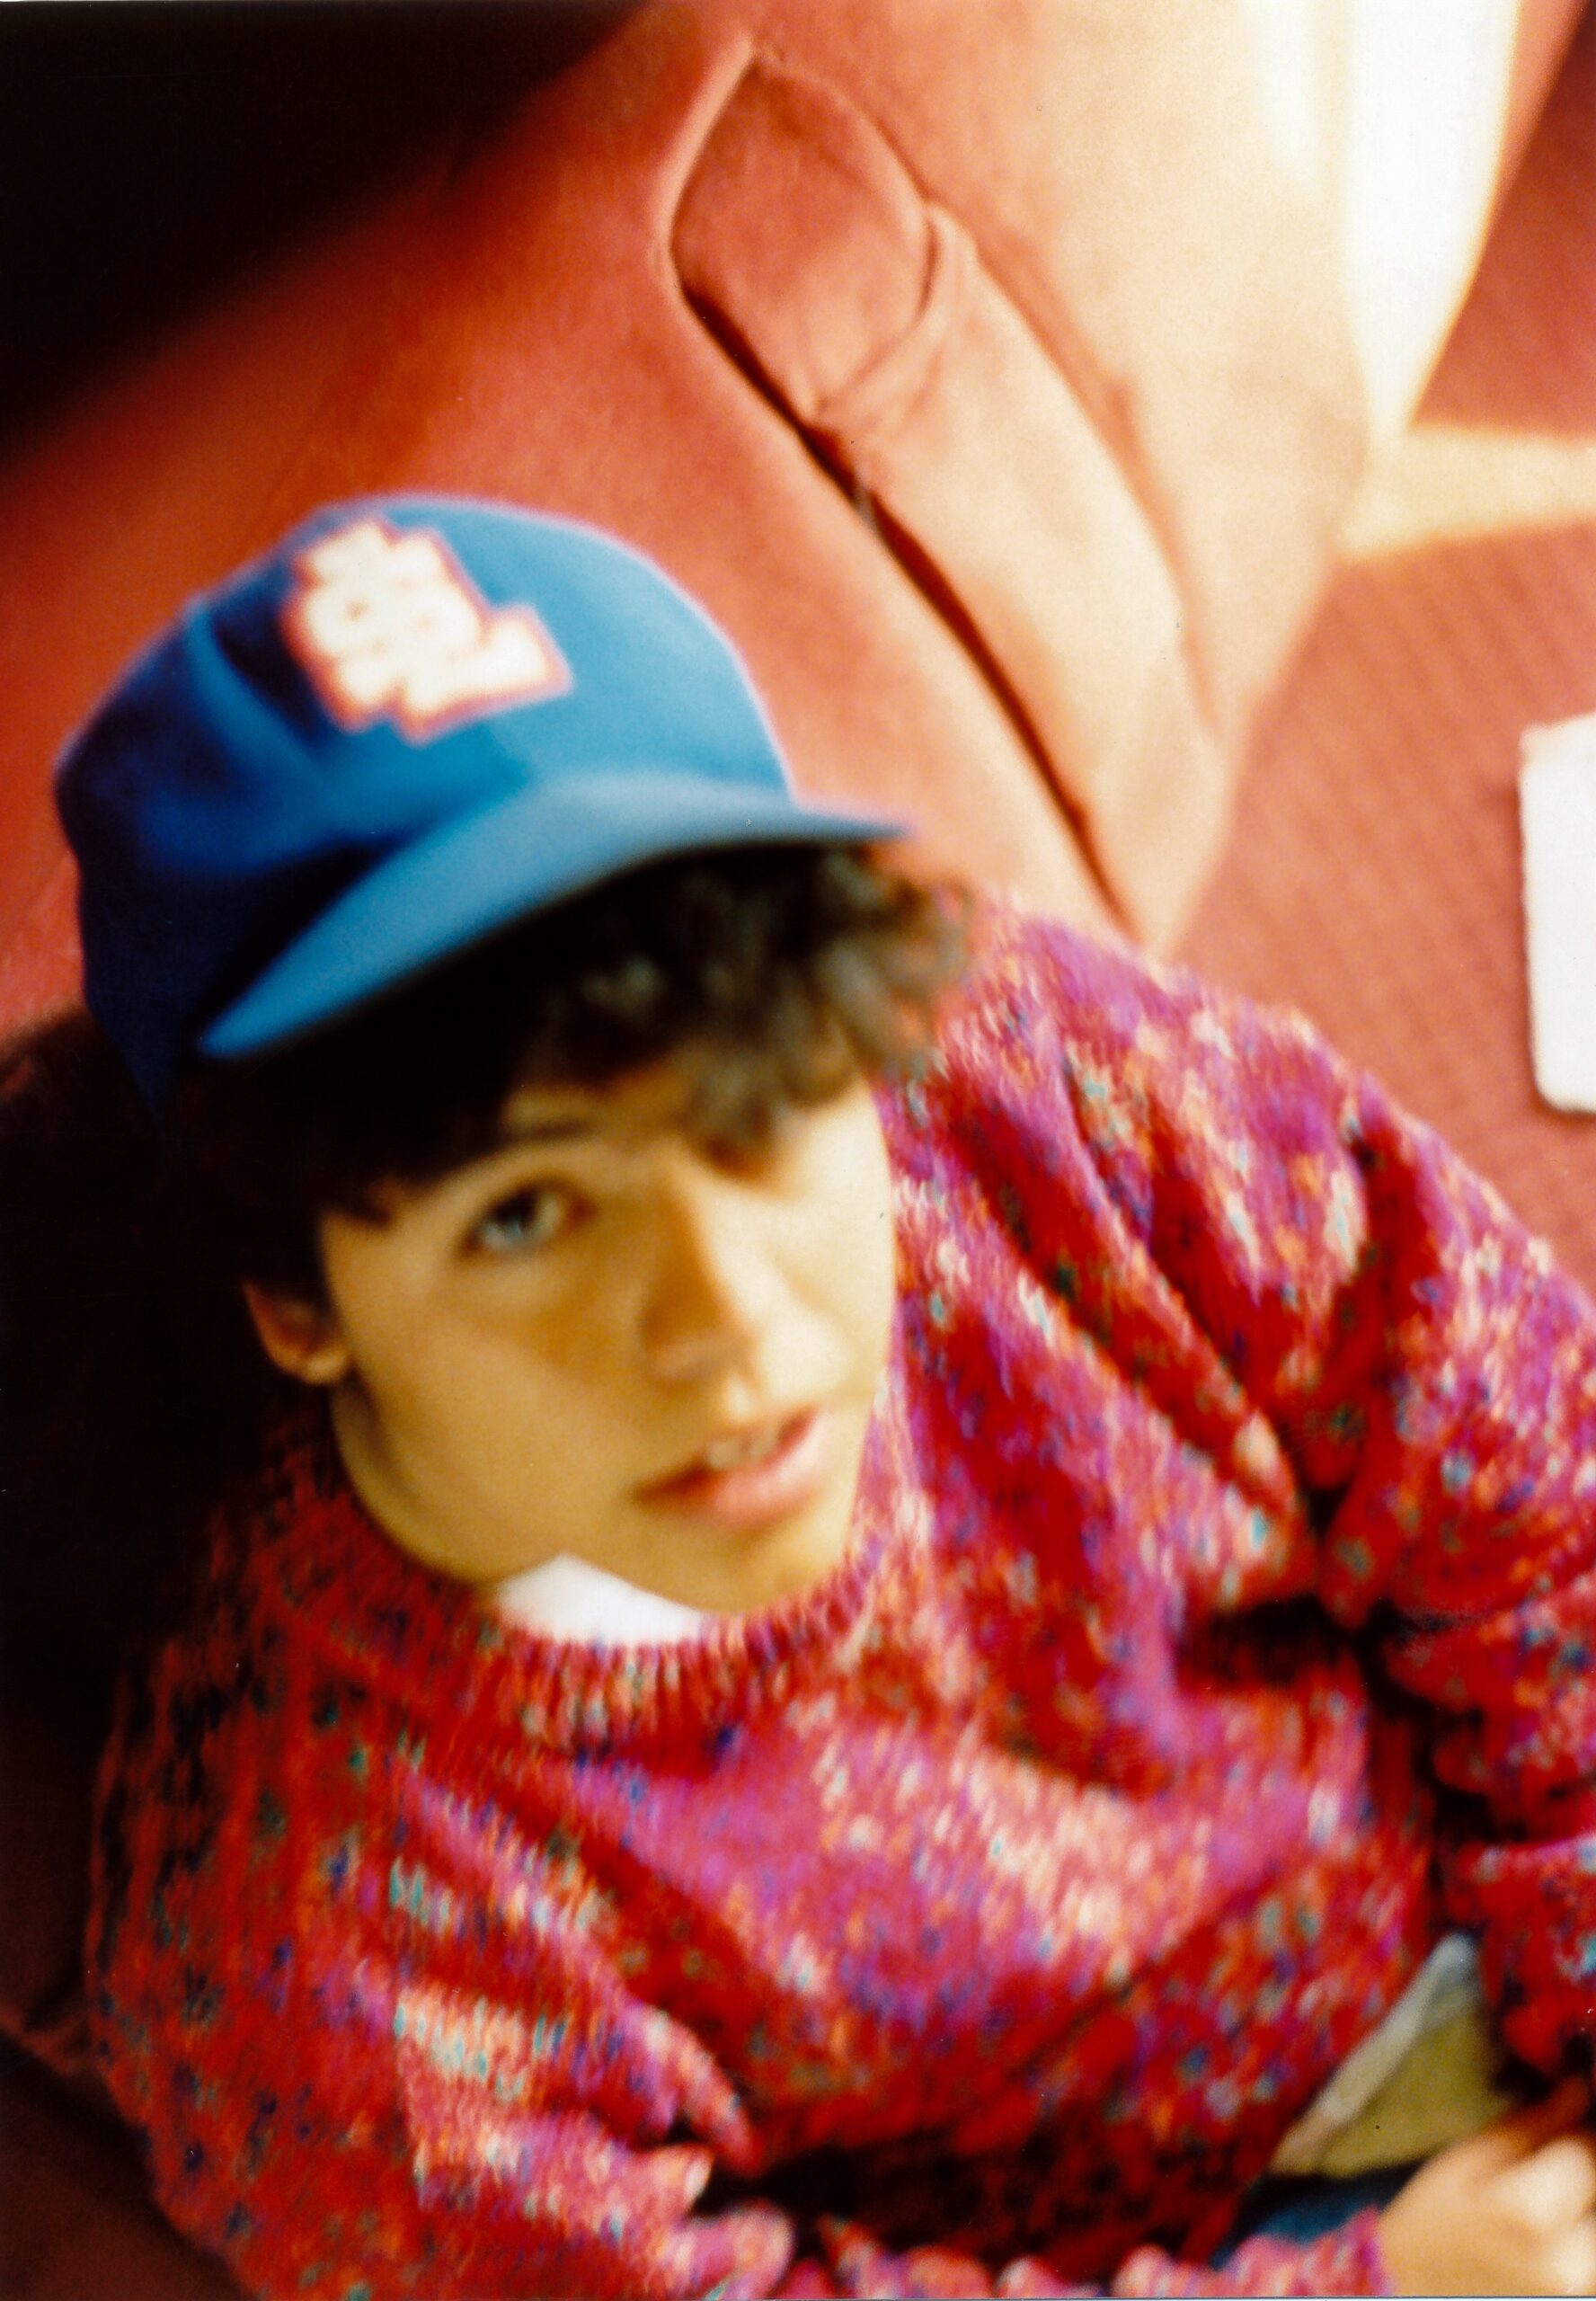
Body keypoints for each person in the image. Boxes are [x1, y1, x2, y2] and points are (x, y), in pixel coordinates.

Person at [36, 493, 1596, 2296]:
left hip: (1494, 1840)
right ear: (298, 1300)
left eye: (759, 1108)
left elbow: (1518, 1454)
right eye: (526, 1214)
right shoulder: (324, 1954)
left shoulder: (1027, 1066)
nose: (731, 1319)